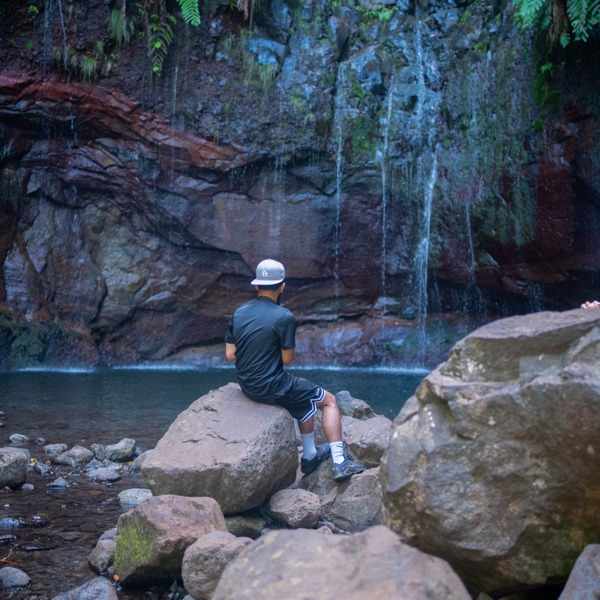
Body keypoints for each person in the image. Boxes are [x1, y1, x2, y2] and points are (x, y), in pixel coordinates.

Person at [225, 258, 365, 482]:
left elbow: (230, 354)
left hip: (248, 386)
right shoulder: (284, 317)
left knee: (303, 397)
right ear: (282, 286)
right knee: (329, 401)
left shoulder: (239, 313)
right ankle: (340, 462)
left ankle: (309, 456)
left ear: (256, 285)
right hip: (272, 386)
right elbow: (287, 359)